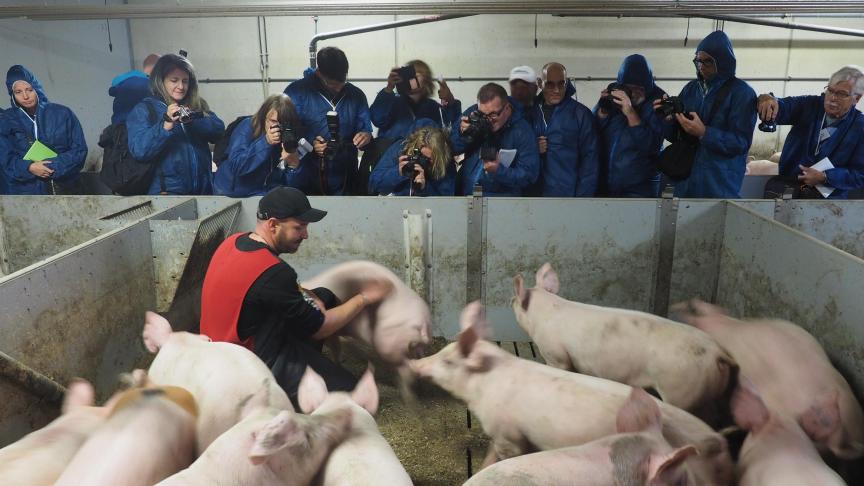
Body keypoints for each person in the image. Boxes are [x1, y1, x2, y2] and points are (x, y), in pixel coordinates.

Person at [199, 187, 393, 401]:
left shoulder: (234, 241)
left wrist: (307, 294)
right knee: (354, 392)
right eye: (299, 227)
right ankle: (283, 391)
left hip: (220, 349)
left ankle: (304, 363)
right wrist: (364, 298)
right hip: (246, 365)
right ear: (273, 225)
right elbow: (320, 328)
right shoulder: (275, 272)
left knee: (324, 296)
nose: (305, 235)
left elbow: (266, 290)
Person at [655, 30, 757, 198]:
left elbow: (740, 143)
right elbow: (676, 137)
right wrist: (668, 120)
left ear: (723, 61)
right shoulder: (691, 89)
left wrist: (704, 133)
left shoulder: (742, 93)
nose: (701, 66)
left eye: (707, 61)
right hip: (684, 182)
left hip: (719, 185)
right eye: (698, 61)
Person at [756, 65, 864, 199]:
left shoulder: (860, 127)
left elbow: (860, 174)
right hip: (789, 186)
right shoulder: (809, 106)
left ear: (857, 98)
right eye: (830, 90)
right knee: (780, 211)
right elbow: (783, 107)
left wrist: (826, 177)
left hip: (827, 201)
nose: (832, 98)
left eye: (841, 94)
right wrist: (768, 100)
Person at [126, 54, 224, 195]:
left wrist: (195, 119)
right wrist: (165, 126)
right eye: (174, 80)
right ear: (160, 81)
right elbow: (140, 150)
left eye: (185, 81)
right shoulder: (145, 110)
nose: (181, 86)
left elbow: (219, 131)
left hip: (203, 191)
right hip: (167, 194)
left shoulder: (196, 105)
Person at [283, 47, 372, 195]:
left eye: (342, 82)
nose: (339, 88)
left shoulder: (356, 95)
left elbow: (365, 128)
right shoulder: (297, 92)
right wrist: (310, 144)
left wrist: (365, 136)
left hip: (346, 176)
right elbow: (286, 133)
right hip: (307, 174)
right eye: (333, 84)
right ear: (319, 73)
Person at [0, 65, 87, 195]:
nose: (25, 96)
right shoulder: (5, 120)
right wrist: (29, 167)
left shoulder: (63, 114)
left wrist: (51, 166)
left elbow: (79, 151)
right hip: (24, 194)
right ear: (12, 94)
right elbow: (4, 159)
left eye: (29, 90)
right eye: (18, 92)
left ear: (36, 87)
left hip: (62, 189)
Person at [594, 54, 666, 197]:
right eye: (628, 88)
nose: (632, 93)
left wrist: (630, 113)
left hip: (640, 188)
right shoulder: (615, 95)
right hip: (605, 184)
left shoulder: (658, 103)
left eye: (638, 88)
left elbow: (651, 146)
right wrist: (602, 111)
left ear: (647, 86)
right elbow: (591, 131)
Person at [452, 83, 539, 196]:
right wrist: (462, 133)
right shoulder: (473, 113)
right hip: (469, 196)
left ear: (507, 108)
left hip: (502, 201)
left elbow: (529, 176)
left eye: (493, 115)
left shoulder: (522, 131)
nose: (488, 120)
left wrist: (499, 171)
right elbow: (452, 148)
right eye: (483, 115)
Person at [531, 62, 599, 197]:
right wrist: (533, 149)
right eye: (550, 84)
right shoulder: (529, 113)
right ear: (539, 84)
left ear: (567, 83)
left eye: (561, 84)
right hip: (533, 198)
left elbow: (590, 161)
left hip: (569, 196)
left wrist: (582, 200)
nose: (556, 90)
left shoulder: (581, 115)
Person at [213, 94, 301, 197]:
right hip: (231, 192)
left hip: (261, 194)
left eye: (282, 123)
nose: (276, 127)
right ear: (263, 117)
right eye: (273, 121)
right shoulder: (247, 127)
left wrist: (293, 166)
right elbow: (236, 166)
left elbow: (288, 187)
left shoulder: (288, 135)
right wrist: (266, 142)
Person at [371, 59, 461, 140]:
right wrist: (389, 88)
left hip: (422, 152)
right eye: (408, 75)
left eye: (416, 74)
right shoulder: (393, 102)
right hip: (393, 151)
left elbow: (452, 132)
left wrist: (450, 100)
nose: (411, 78)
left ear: (426, 79)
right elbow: (377, 120)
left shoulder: (433, 107)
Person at [368, 119, 456, 196]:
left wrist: (424, 188)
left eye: (428, 159)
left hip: (428, 208)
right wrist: (398, 173)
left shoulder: (446, 163)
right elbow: (374, 184)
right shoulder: (400, 149)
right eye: (419, 155)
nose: (422, 160)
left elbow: (447, 198)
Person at [109, 53, 159, 124]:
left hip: (117, 126)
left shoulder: (123, 80)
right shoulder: (150, 86)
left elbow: (112, 91)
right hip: (137, 127)